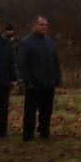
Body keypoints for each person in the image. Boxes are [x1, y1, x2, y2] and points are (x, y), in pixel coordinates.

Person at [17, 14, 62, 142]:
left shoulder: (49, 41)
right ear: (34, 26)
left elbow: (55, 61)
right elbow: (21, 63)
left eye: (46, 25)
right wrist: (27, 81)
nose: (44, 27)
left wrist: (58, 77)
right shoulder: (26, 42)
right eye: (41, 24)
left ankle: (44, 132)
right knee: (30, 111)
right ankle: (28, 135)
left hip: (49, 83)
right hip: (34, 84)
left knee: (47, 111)